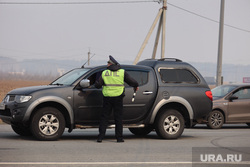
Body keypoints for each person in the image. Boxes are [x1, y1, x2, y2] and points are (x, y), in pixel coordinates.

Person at [95, 55, 139, 143]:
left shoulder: (104, 73)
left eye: (108, 62)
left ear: (111, 64)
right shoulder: (122, 72)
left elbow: (98, 85)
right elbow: (132, 81)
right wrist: (136, 85)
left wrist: (96, 81)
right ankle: (119, 138)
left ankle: (100, 137)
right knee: (118, 118)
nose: (107, 64)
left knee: (104, 118)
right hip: (118, 98)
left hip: (107, 97)